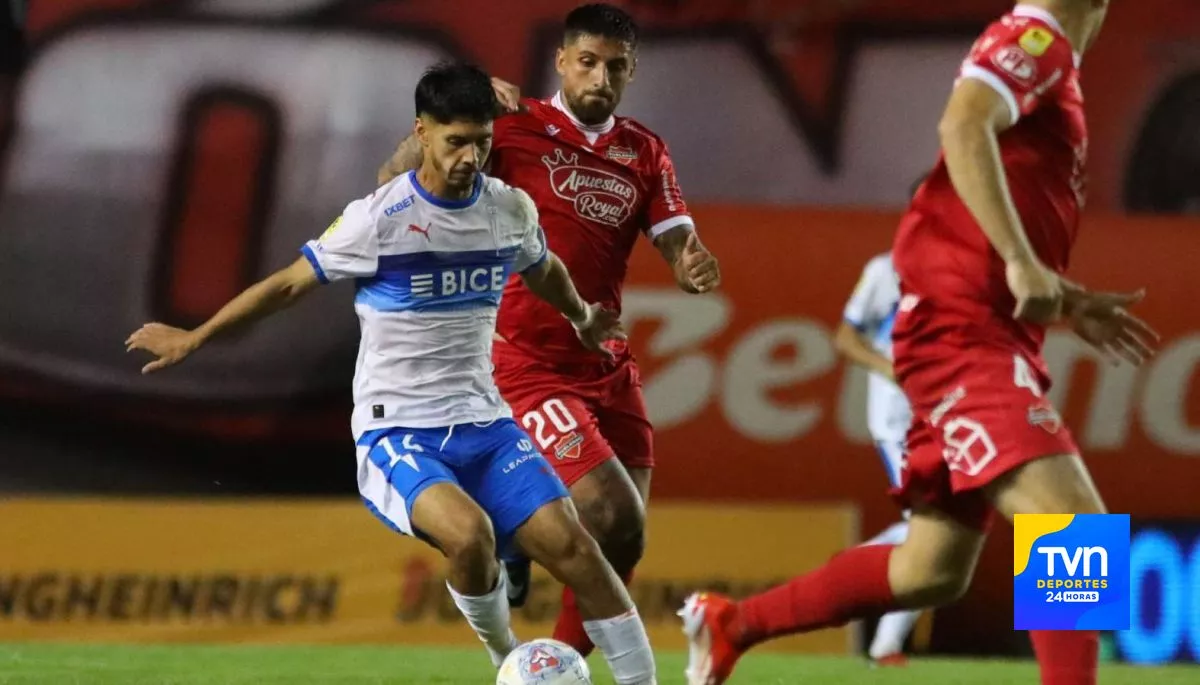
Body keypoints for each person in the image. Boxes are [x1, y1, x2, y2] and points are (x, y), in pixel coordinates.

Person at [127, 62, 657, 685]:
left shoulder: (507, 209)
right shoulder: (381, 217)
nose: (469, 158)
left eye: (482, 143)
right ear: (423, 133)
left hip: (485, 422)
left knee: (579, 552)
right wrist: (197, 336)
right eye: (455, 141)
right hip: (397, 430)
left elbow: (542, 268)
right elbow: (287, 285)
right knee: (469, 537)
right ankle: (505, 658)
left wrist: (582, 317)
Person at [678, 3, 1159, 684]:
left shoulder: (1056, 63)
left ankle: (737, 622)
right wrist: (1023, 262)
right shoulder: (1034, 39)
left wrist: (1065, 295)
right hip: (961, 329)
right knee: (1073, 528)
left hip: (986, 326)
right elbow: (962, 126)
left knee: (930, 567)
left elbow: (989, 210)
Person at [378, 3, 721, 657]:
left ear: (632, 71)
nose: (600, 78)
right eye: (587, 62)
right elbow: (396, 180)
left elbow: (675, 232)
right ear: (561, 61)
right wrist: (474, 101)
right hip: (525, 359)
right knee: (609, 512)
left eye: (616, 67)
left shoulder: (644, 150)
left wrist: (690, 260)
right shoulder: (511, 127)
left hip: (605, 359)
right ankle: (511, 539)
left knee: (625, 536)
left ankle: (554, 667)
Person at [834, 249, 921, 666]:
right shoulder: (888, 270)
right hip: (906, 416)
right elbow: (847, 335)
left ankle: (839, 576)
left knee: (1069, 514)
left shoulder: (983, 257)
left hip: (982, 403)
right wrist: (889, 369)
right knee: (933, 524)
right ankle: (1073, 650)